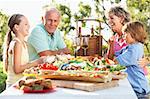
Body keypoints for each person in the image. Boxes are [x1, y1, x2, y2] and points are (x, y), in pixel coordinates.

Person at [3, 14, 45, 88]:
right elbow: (17, 69)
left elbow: (24, 65)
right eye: (26, 24)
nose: (29, 26)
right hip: (13, 86)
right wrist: (36, 62)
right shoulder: (17, 44)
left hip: (21, 84)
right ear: (17, 27)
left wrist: (35, 67)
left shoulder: (24, 44)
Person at [114, 21, 150, 98]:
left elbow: (116, 61)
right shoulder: (131, 47)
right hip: (137, 87)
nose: (123, 37)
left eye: (125, 34)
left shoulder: (134, 49)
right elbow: (117, 54)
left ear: (134, 34)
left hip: (139, 90)